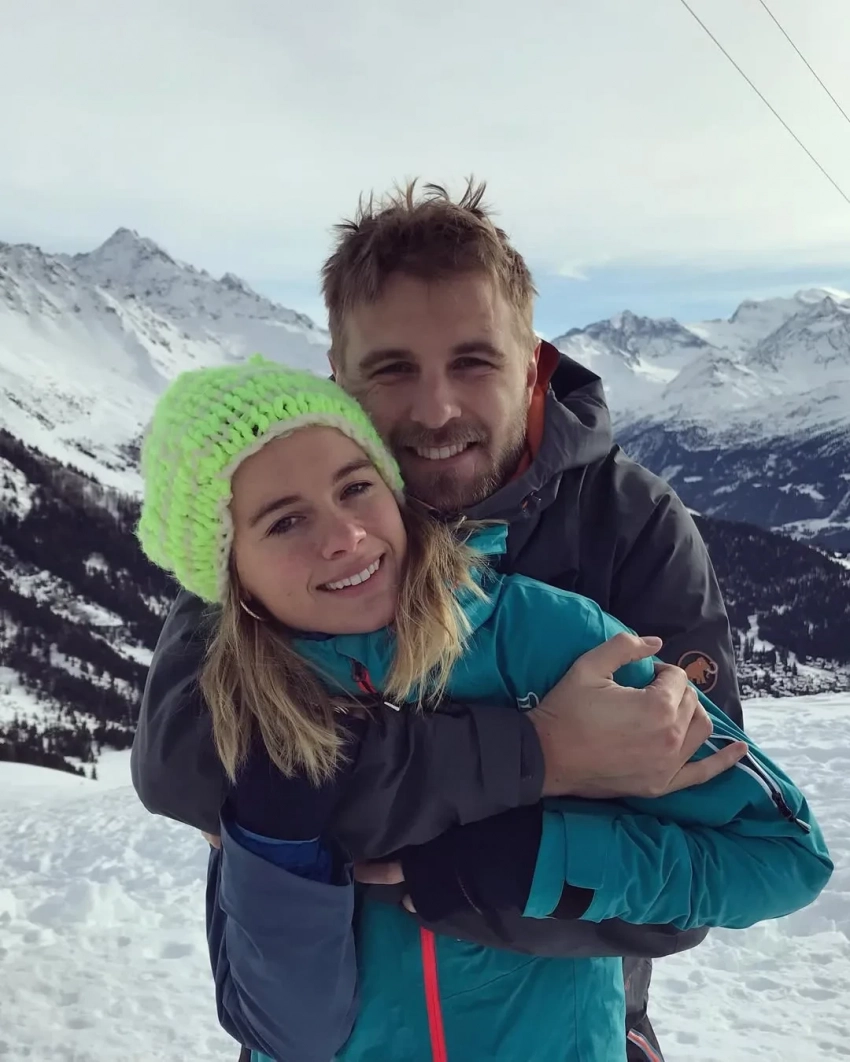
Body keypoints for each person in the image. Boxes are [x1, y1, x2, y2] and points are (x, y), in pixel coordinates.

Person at [133, 179, 747, 1059]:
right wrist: (548, 756)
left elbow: (704, 844)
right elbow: (190, 763)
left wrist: (451, 870)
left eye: (473, 363)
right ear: (340, 377)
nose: (435, 411)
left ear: (532, 364)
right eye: (392, 371)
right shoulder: (278, 514)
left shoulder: (625, 526)